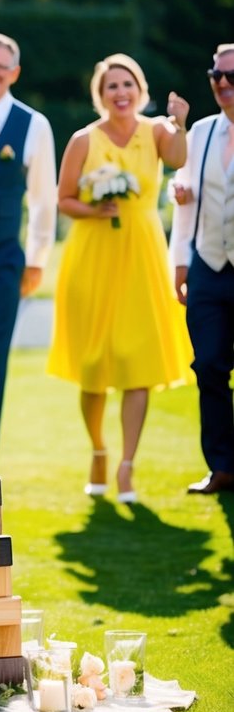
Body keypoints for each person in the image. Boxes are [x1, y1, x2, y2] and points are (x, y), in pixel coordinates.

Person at [48, 54, 192, 502]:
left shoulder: (157, 131)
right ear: (100, 95)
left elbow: (177, 157)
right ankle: (97, 451)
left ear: (140, 89)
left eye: (127, 84)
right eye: (111, 86)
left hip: (143, 252)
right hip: (92, 256)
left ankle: (128, 464)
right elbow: (63, 199)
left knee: (137, 362)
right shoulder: (82, 140)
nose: (120, 92)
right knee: (94, 364)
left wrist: (181, 122)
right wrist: (94, 209)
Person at [0, 32, 57, 445]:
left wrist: (37, 260)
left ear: (14, 73)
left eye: (1, 66)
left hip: (2, 259)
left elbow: (43, 200)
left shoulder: (33, 124)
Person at [171, 44, 234, 495]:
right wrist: (180, 261)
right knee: (208, 365)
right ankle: (223, 466)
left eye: (232, 76)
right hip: (208, 263)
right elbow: (185, 200)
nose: (224, 84)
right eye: (217, 75)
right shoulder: (202, 133)